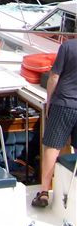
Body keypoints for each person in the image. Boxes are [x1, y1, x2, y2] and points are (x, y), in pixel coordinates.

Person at [32, 36, 77, 208]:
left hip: (63, 104)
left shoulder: (68, 46)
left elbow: (54, 77)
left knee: (52, 147)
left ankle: (44, 192)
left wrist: (49, 101)